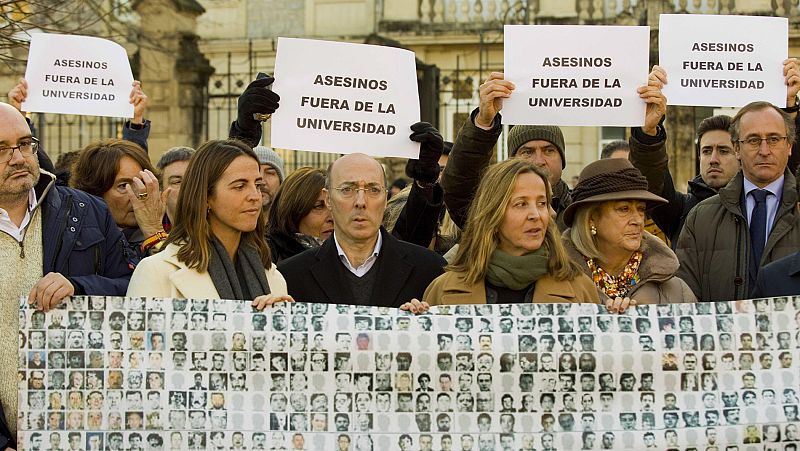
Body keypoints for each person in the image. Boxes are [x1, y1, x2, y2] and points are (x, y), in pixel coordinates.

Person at [0, 103, 135, 441]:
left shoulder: (86, 210)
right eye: (1, 149)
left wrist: (79, 286)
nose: (18, 157)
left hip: (84, 431)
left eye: (24, 143)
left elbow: (135, 290)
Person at [631, 60, 800, 246]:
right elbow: (652, 179)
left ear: (739, 152)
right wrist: (648, 133)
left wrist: (788, 108)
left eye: (723, 150)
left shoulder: (772, 202)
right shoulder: (682, 211)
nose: (713, 159)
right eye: (706, 151)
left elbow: (787, 162)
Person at [127, 139, 290, 305]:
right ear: (206, 197)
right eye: (240, 186)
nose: (255, 196)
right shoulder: (156, 271)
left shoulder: (273, 277)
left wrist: (280, 324)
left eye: (257, 184)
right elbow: (137, 331)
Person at [278, 153, 446, 307]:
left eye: (373, 190)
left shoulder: (430, 270)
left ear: (385, 198)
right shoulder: (290, 277)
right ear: (328, 198)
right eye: (347, 190)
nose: (361, 201)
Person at [423, 159, 599, 305]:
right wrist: (410, 322)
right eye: (521, 204)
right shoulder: (443, 289)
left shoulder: (581, 289)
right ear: (493, 213)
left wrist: (620, 316)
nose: (535, 215)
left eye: (541, 203)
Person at [676, 101, 800, 300]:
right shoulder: (701, 217)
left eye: (774, 139)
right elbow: (683, 297)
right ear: (736, 148)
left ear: (789, 146)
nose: (764, 150)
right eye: (753, 140)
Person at [442, 71, 573, 229]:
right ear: (512, 161)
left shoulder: (580, 211)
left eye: (549, 150)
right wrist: (484, 121)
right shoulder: (492, 210)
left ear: (562, 159)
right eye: (527, 152)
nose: (539, 161)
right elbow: (458, 186)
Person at [562, 158, 696, 303]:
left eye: (641, 209)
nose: (638, 220)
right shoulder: (558, 283)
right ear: (591, 218)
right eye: (624, 209)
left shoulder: (676, 290)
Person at [70, 139, 167, 266]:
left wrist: (154, 231)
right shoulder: (76, 244)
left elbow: (171, 279)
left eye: (142, 182)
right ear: (95, 192)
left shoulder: (179, 234)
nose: (138, 194)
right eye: (124, 185)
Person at [267, 167, 333, 262]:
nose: (332, 217)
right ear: (293, 211)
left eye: (334, 206)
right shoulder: (268, 258)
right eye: (319, 206)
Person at [156, 146, 194, 227]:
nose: (186, 187)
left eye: (192, 180)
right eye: (177, 182)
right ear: (161, 192)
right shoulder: (145, 233)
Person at [253, 146, 284, 215]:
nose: (261, 182)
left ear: (280, 181)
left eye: (270, 173)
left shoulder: (291, 223)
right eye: (256, 171)